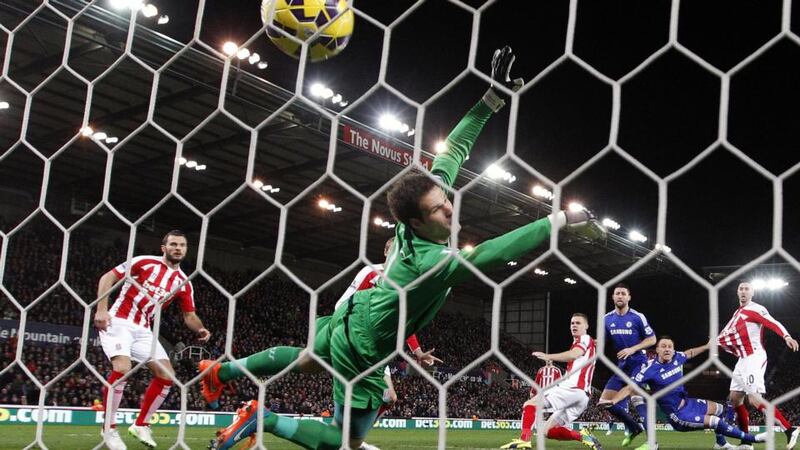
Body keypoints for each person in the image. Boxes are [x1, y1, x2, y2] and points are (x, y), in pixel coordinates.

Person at [201, 45, 606, 450]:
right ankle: (263, 418)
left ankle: (222, 372)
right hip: (365, 347)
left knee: (306, 359)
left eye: (446, 201)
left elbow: (453, 150)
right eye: (438, 209)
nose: (450, 209)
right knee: (347, 442)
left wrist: (490, 100)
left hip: (353, 315)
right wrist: (560, 220)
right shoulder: (431, 261)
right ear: (415, 221)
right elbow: (490, 254)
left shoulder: (416, 211)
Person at [94, 230, 210, 450]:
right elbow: (108, 277)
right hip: (118, 321)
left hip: (144, 330)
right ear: (163, 248)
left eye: (182, 245)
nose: (178, 248)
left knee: (167, 375)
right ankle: (108, 429)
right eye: (173, 244)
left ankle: (141, 424)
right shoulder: (144, 262)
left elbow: (189, 316)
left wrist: (201, 329)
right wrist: (102, 309)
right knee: (123, 368)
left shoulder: (184, 282)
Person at [602, 336, 768, 450]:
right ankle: (753, 439)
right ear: (657, 350)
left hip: (689, 403)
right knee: (716, 421)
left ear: (673, 349)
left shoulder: (677, 358)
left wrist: (707, 346)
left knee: (720, 409)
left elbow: (690, 352)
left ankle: (721, 444)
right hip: (678, 415)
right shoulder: (649, 370)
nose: (667, 349)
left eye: (670, 346)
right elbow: (630, 387)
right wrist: (614, 400)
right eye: (663, 346)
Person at [715, 281, 799, 450]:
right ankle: (746, 442)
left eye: (747, 289)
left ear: (752, 293)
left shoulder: (755, 309)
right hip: (742, 359)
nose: (743, 291)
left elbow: (772, 322)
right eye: (741, 289)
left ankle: (790, 429)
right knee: (735, 398)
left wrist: (787, 336)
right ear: (737, 292)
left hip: (754, 356)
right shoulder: (737, 312)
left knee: (754, 399)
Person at [502, 313, 603, 450]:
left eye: (578, 323)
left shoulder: (584, 339)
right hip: (582, 397)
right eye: (572, 323)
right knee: (546, 431)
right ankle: (583, 436)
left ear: (586, 326)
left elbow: (574, 355)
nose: (574, 325)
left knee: (530, 404)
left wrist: (548, 356)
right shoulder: (587, 342)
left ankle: (524, 440)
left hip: (573, 388)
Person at [599, 283, 656, 446]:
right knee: (604, 402)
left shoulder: (637, 317)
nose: (620, 296)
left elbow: (652, 339)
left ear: (629, 297)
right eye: (617, 293)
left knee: (637, 399)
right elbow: (603, 341)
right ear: (613, 297)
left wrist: (632, 349)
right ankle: (634, 427)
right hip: (621, 366)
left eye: (623, 293)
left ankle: (652, 443)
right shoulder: (607, 319)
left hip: (638, 363)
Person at [501, 359, 562, 448]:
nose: (548, 360)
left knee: (531, 407)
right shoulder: (541, 370)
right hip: (542, 394)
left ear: (552, 360)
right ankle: (529, 435)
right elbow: (537, 382)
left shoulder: (557, 370)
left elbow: (560, 382)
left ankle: (526, 437)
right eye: (547, 359)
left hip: (553, 395)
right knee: (532, 410)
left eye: (550, 359)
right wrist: (533, 392)